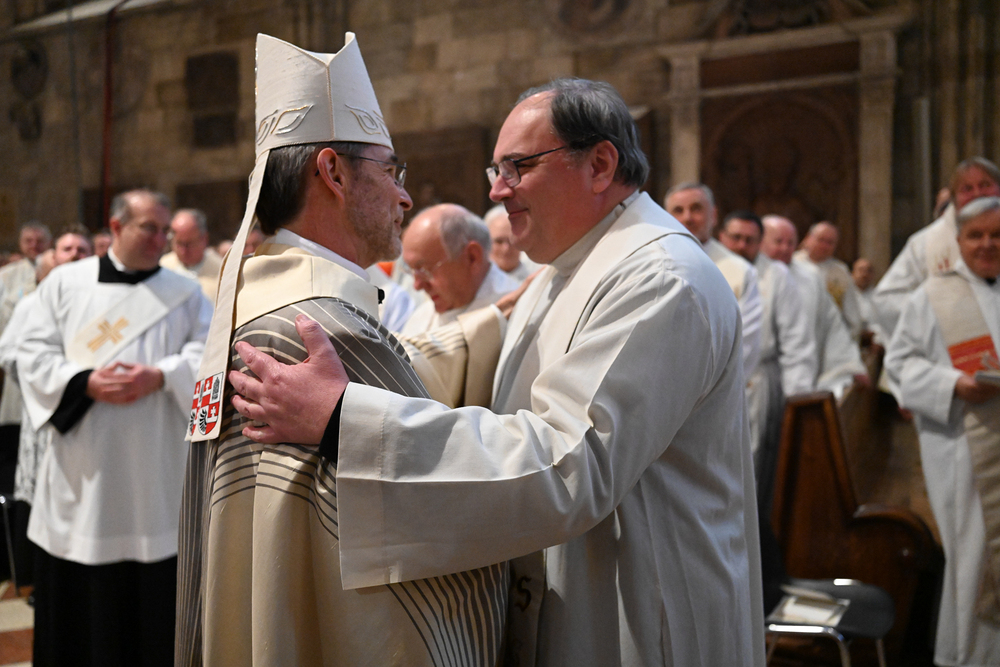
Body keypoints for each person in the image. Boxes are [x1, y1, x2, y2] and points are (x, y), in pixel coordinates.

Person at [229, 77, 765, 666]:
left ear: (600, 164)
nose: (497, 189)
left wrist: (342, 418)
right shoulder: (560, 270)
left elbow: (570, 463)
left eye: (518, 167)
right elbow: (492, 402)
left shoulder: (661, 279)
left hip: (642, 614)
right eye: (496, 169)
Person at [177, 33, 511, 667]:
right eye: (391, 171)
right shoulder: (324, 326)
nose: (404, 196)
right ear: (332, 172)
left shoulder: (258, 297)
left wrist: (483, 326)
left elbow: (395, 378)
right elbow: (431, 495)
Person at [17, 189, 210, 667]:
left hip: (155, 480)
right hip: (83, 475)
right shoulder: (65, 284)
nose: (161, 239)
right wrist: (83, 381)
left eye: (165, 230)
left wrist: (161, 376)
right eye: (150, 228)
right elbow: (32, 352)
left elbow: (209, 361)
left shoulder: (186, 293)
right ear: (117, 226)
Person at [884, 195, 1000, 667]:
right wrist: (955, 384)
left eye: (997, 234)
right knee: (973, 560)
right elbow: (900, 366)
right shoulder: (933, 295)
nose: (988, 243)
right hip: (966, 449)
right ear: (959, 240)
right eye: (976, 235)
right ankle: (968, 659)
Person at [0, 226, 92, 587]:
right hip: (45, 415)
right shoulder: (33, 303)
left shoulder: (100, 299)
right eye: (67, 249)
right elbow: (9, 354)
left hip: (91, 416)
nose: (74, 255)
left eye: (82, 249)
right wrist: (52, 380)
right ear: (54, 256)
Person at [719, 211, 814, 504]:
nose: (741, 245)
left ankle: (751, 527)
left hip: (756, 382)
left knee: (751, 463)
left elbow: (796, 339)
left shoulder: (776, 275)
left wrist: (798, 397)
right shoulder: (710, 265)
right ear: (722, 237)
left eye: (750, 240)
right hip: (708, 384)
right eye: (735, 238)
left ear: (760, 243)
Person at [874, 157, 1000, 337]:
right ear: (954, 198)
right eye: (967, 189)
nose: (977, 193)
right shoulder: (924, 242)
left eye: (985, 185)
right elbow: (886, 300)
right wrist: (938, 315)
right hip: (949, 345)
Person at [665, 182, 763, 380]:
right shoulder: (652, 262)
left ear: (714, 215)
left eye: (696, 208)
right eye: (678, 210)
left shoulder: (740, 271)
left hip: (715, 385)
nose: (687, 217)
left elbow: (745, 343)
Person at [762, 215, 867, 397]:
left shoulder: (810, 277)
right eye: (778, 242)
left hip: (802, 373)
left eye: (790, 243)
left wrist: (849, 364)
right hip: (758, 378)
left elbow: (833, 325)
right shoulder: (747, 274)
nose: (785, 248)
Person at [400, 203, 518, 335]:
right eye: (412, 271)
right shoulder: (422, 316)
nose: (417, 286)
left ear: (472, 257)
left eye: (424, 270)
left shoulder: (515, 314)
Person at [794, 221, 863, 340]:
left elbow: (852, 311)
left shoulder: (840, 271)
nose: (824, 246)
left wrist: (850, 337)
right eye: (821, 240)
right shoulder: (791, 264)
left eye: (830, 242)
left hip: (831, 338)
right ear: (808, 239)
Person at [160, 209, 223, 303]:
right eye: (179, 243)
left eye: (188, 244)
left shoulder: (222, 273)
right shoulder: (161, 267)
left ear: (204, 239)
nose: (183, 251)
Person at [0, 222, 51, 334]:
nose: (34, 245)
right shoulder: (6, 274)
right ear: (20, 243)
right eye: (28, 241)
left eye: (39, 241)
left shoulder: (58, 271)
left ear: (49, 243)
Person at [485, 203, 540, 281]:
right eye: (499, 241)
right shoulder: (475, 280)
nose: (506, 249)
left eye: (512, 241)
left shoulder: (537, 278)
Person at [852, 257, 887, 344]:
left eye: (868, 271)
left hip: (874, 341)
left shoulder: (880, 297)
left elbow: (884, 324)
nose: (864, 274)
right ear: (852, 273)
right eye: (860, 270)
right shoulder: (847, 296)